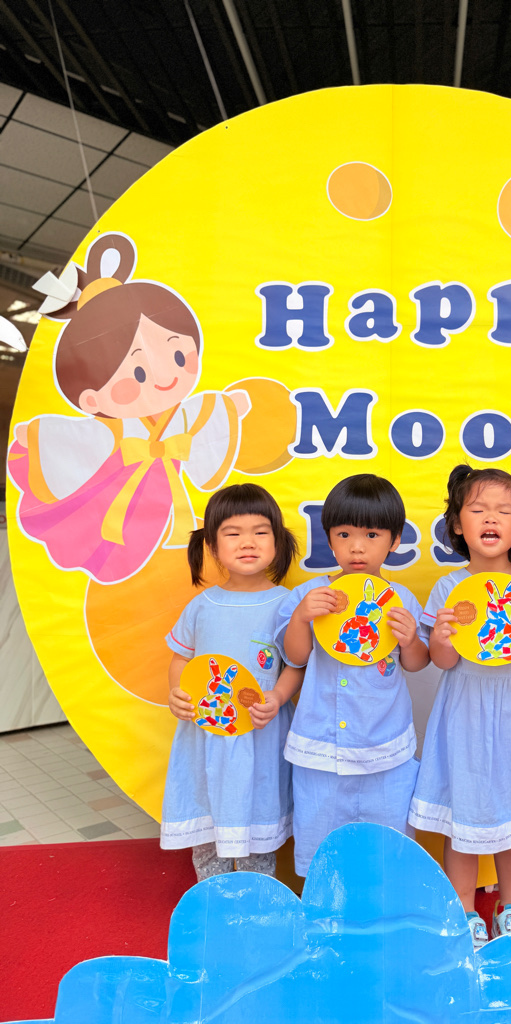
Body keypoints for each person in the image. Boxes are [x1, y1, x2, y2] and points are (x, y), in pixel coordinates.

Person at [7, 232, 251, 584]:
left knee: (178, 554)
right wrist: (39, 436)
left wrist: (225, 407)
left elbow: (198, 416)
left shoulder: (178, 414)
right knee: (118, 547)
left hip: (164, 494)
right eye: (138, 373)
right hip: (116, 494)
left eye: (178, 354)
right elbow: (80, 438)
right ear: (92, 399)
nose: (165, 376)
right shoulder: (112, 427)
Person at [408, 464, 511, 949]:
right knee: (463, 809)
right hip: (465, 710)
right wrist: (442, 637)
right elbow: (441, 661)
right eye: (478, 509)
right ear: (458, 525)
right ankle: (464, 909)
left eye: (504, 510)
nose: (491, 517)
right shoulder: (449, 588)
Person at [261, 474, 430, 876]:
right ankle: (324, 903)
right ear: (329, 539)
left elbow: (416, 664)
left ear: (394, 540)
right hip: (320, 747)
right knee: (322, 845)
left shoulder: (402, 600)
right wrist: (301, 617)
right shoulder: (310, 596)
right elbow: (295, 657)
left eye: (372, 534)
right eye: (344, 534)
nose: (357, 546)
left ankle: (387, 903)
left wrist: (410, 640)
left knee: (388, 848)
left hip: (385, 746)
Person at [161, 483, 302, 881]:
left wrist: (277, 696)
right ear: (211, 544)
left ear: (277, 540)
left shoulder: (287, 604)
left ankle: (258, 896)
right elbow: (181, 658)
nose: (248, 542)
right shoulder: (202, 605)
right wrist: (177, 693)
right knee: (209, 821)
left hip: (261, 735)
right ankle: (213, 896)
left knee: (258, 825)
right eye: (233, 533)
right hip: (208, 738)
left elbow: (295, 664)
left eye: (260, 532)